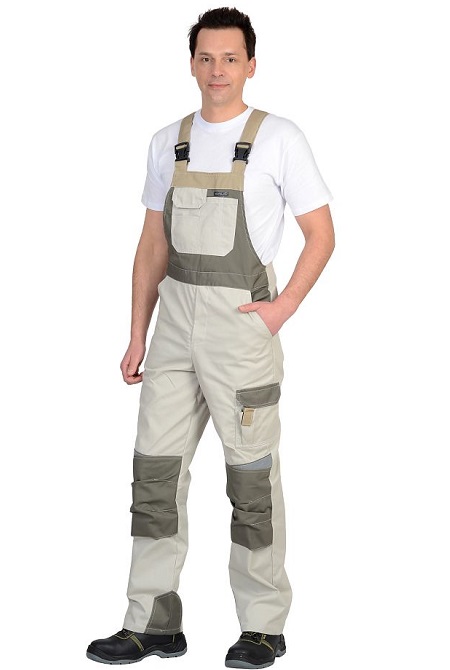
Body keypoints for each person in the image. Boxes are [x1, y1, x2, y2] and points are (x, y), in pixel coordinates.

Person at [86, 7, 335, 668]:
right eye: (206, 57)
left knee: (251, 480)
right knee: (154, 474)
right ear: (191, 64)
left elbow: (321, 233)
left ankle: (263, 627)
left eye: (230, 58)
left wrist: (282, 308)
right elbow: (151, 245)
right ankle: (152, 622)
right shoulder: (167, 141)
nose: (217, 69)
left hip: (241, 331)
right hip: (172, 329)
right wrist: (137, 334)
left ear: (250, 65)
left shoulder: (279, 138)